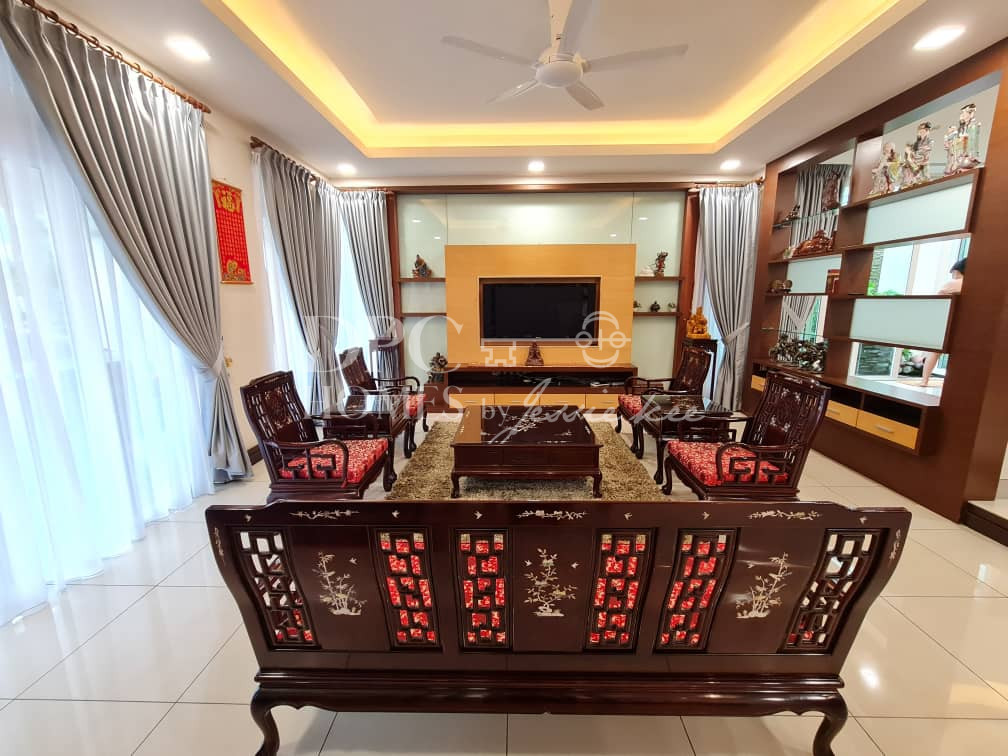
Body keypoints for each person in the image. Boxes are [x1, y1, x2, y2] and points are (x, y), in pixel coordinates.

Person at [919, 257, 966, 386]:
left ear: (957, 271)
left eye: (953, 272)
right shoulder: (974, 285)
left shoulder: (953, 283)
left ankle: (924, 380)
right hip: (963, 324)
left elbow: (936, 301)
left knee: (934, 351)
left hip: (946, 321)